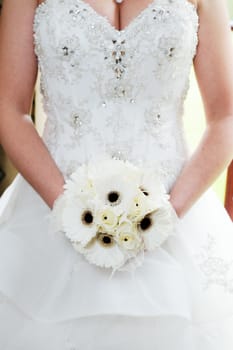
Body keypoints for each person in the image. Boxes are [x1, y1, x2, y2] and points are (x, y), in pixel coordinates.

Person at [0, 0, 233, 348]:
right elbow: (9, 107)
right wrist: (71, 210)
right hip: (49, 210)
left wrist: (164, 215)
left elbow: (226, 116)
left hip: (175, 213)